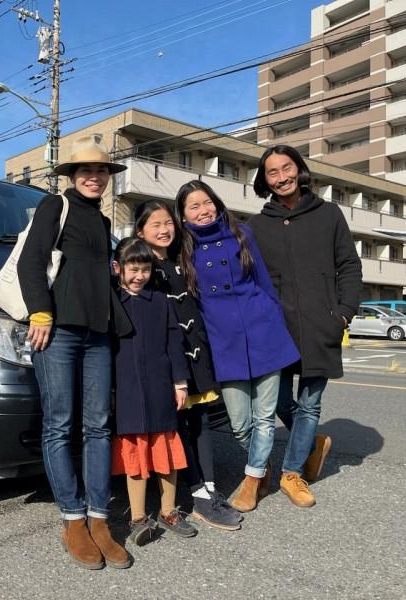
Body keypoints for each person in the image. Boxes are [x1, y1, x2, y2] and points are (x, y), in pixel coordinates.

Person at [17, 134, 132, 570]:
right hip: (59, 332)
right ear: (72, 175)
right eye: (86, 170)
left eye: (102, 171)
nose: (95, 177)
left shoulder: (103, 223)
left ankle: (100, 519)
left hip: (98, 333)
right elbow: (31, 261)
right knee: (60, 425)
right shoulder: (54, 208)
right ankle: (72, 518)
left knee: (100, 426)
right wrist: (40, 314)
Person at [175, 180, 300, 513]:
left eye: (207, 203)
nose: (203, 210)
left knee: (264, 417)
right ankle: (261, 467)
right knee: (239, 423)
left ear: (216, 203)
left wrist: (274, 318)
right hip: (222, 341)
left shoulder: (242, 233)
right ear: (184, 215)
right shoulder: (183, 247)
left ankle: (252, 478)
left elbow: (264, 281)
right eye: (194, 206)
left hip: (262, 332)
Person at [249, 145, 362, 508]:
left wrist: (343, 312)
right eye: (272, 172)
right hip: (275, 330)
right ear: (264, 179)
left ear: (299, 170)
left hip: (320, 324)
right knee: (277, 399)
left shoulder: (329, 214)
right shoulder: (256, 225)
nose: (281, 177)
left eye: (287, 168)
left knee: (310, 404)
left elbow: (349, 265)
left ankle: (291, 472)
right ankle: (312, 441)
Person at [133, 199, 241, 531]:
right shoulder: (142, 267)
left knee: (201, 422)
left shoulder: (183, 259)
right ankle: (197, 493)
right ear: (140, 232)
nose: (164, 230)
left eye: (168, 223)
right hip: (169, 359)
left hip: (197, 354)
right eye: (155, 225)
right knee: (179, 427)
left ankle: (209, 488)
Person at [110, 237, 198, 545]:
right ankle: (137, 517)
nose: (139, 277)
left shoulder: (160, 300)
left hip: (161, 386)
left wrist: (180, 382)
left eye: (145, 270)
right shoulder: (111, 301)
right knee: (135, 454)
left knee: (166, 453)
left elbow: (175, 342)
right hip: (127, 391)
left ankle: (168, 511)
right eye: (133, 270)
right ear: (117, 268)